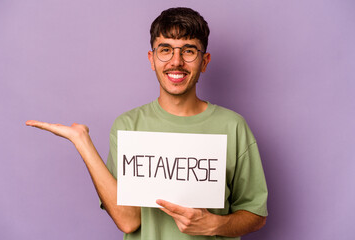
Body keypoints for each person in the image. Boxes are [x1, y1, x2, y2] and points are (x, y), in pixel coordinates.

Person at [26, 7, 268, 240]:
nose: (176, 62)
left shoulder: (233, 126)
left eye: (188, 51)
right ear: (152, 59)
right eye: (166, 50)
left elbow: (255, 214)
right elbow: (129, 221)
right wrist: (82, 142)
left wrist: (215, 224)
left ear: (204, 62)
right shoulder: (128, 126)